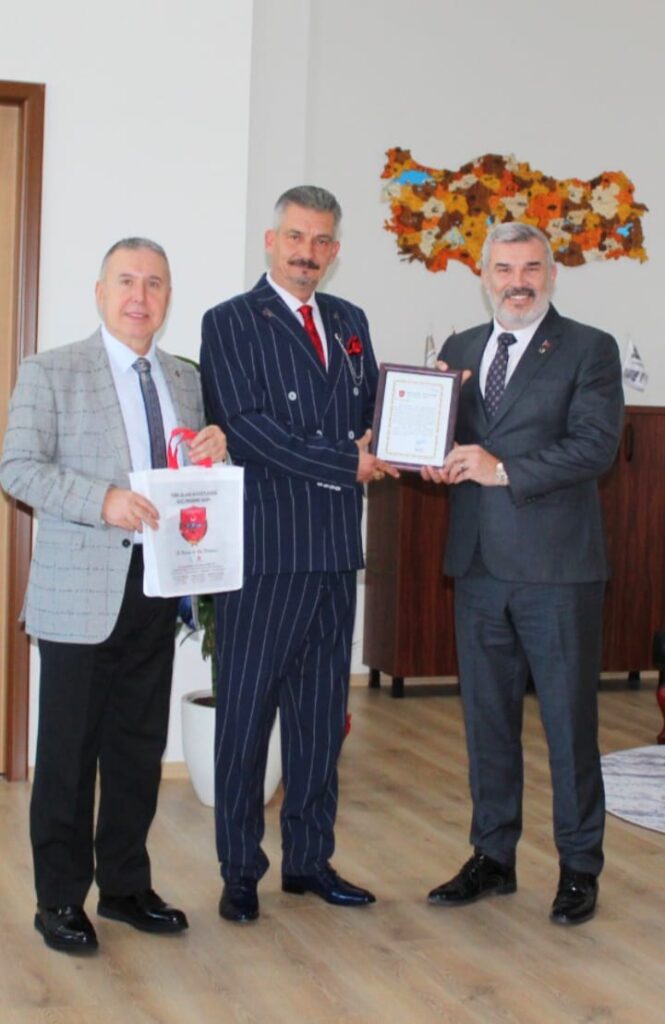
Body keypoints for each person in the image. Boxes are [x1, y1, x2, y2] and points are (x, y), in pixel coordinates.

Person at [0, 238, 226, 954]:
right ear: (100, 293)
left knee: (137, 748)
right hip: (79, 595)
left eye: (154, 283)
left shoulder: (184, 379)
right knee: (68, 755)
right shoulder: (51, 370)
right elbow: (17, 468)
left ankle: (126, 887)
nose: (140, 295)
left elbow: (190, 472)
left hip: (157, 588)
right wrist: (102, 501)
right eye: (126, 281)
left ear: (167, 298)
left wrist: (214, 450)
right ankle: (59, 901)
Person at [200, 185, 396, 923]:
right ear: (271, 240)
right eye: (295, 237)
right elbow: (246, 428)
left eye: (320, 241)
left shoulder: (349, 320)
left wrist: (401, 427)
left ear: (335, 250)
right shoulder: (228, 321)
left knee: (320, 720)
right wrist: (345, 461)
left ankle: (309, 861)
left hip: (335, 551)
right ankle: (239, 871)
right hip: (266, 554)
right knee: (245, 719)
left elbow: (367, 413)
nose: (306, 253)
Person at [422, 222, 623, 925]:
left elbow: (594, 447)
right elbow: (446, 440)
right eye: (503, 269)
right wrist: (430, 455)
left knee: (568, 726)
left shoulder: (589, 348)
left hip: (557, 571)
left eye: (531, 267)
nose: (517, 281)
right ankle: (492, 856)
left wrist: (500, 468)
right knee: (486, 723)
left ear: (551, 274)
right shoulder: (458, 350)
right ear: (483, 276)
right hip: (478, 566)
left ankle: (578, 867)